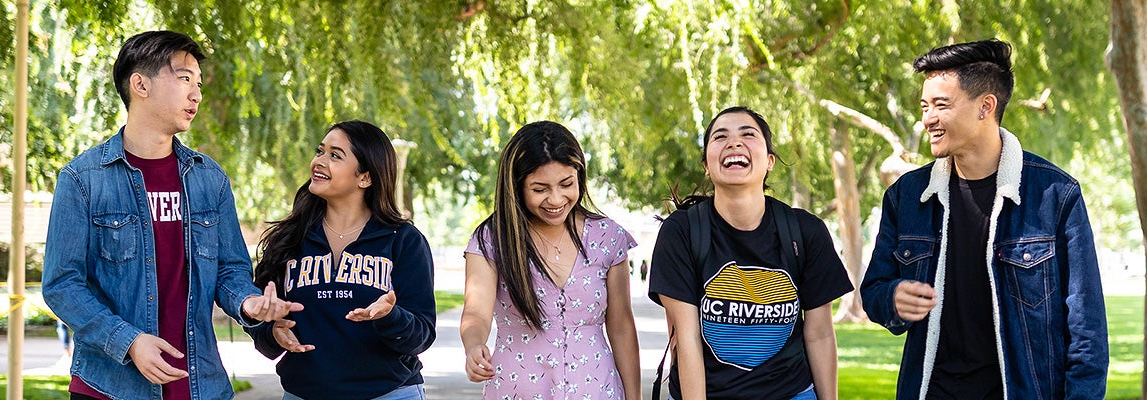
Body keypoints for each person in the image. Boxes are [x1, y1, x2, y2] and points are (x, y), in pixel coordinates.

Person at [41, 30, 300, 400]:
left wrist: (249, 302)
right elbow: (62, 285)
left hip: (200, 386)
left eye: (198, 83)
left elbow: (229, 270)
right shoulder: (83, 180)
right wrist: (129, 341)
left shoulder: (210, 180)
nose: (196, 94)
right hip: (109, 388)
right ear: (140, 85)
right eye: (184, 79)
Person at [860, 39, 1109, 399]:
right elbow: (874, 291)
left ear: (985, 106)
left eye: (941, 105)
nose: (927, 119)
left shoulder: (1056, 194)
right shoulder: (907, 197)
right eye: (924, 106)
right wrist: (892, 297)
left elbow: (1086, 329)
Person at [648, 106, 853, 400]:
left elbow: (819, 333)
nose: (734, 143)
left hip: (790, 392)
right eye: (720, 137)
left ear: (769, 161)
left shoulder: (806, 231)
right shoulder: (681, 232)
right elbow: (687, 338)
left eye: (748, 134)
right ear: (706, 164)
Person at [246, 120, 437, 399]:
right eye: (320, 151)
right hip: (304, 393)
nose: (319, 161)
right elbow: (257, 318)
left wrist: (390, 316)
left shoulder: (403, 240)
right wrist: (272, 333)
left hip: (389, 393)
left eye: (335, 155)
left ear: (365, 178)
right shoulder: (288, 240)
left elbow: (421, 336)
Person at [460, 121, 642, 400]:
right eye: (540, 189)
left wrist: (634, 396)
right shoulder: (491, 239)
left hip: (597, 390)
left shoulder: (608, 236)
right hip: (517, 390)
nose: (556, 199)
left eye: (567, 184)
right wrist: (474, 347)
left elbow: (621, 328)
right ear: (516, 186)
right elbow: (475, 314)